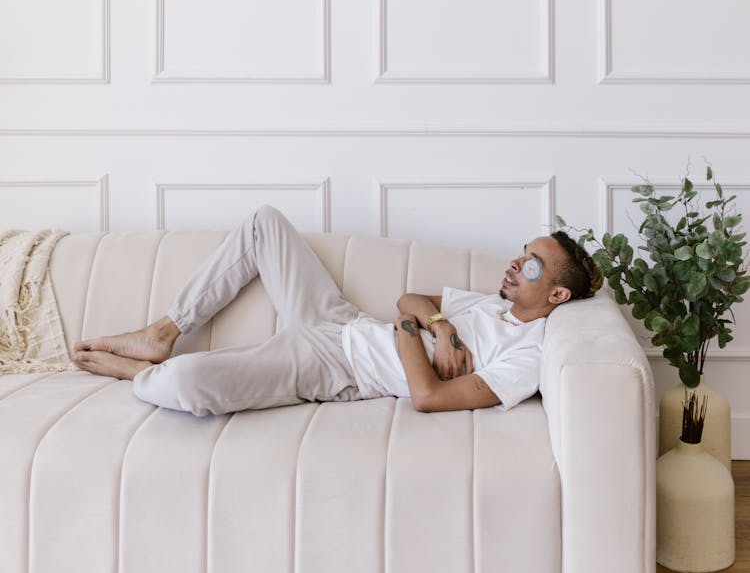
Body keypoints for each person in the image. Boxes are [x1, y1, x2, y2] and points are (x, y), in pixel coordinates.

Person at [72, 205, 602, 416]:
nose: (516, 264)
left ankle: (142, 373)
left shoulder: (528, 355)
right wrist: (439, 328)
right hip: (340, 322)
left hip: (337, 368)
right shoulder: (491, 305)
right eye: (522, 253)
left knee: (182, 384)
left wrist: (408, 334)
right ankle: (164, 331)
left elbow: (428, 396)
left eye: (532, 266)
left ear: (557, 296)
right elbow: (408, 301)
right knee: (264, 224)